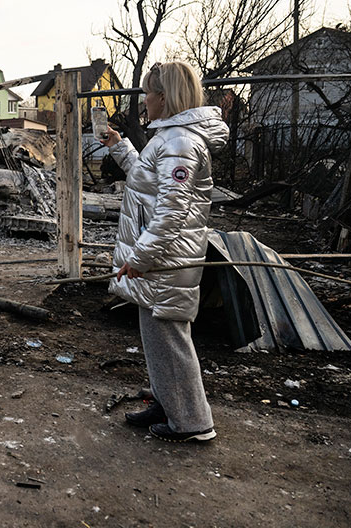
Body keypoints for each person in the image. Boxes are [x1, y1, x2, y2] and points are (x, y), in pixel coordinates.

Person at [98, 61, 228, 443]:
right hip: (160, 258)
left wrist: (140, 258)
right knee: (156, 334)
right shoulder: (170, 138)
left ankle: (192, 423)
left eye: (148, 93)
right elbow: (148, 178)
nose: (144, 99)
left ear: (165, 97)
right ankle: (168, 402)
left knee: (170, 338)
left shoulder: (181, 143)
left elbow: (173, 211)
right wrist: (120, 147)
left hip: (166, 261)